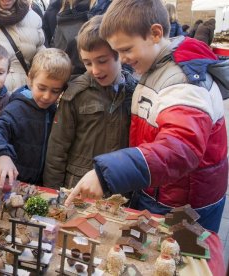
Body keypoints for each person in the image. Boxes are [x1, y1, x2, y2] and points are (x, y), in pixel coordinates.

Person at [65, 0, 228, 233]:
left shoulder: (181, 82)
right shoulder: (155, 69)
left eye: (126, 49)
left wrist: (106, 174)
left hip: (185, 205)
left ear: (154, 33)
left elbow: (181, 148)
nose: (122, 59)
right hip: (162, 191)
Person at [43, 16, 137, 189]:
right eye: (87, 63)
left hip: (121, 187)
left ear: (119, 54)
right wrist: (52, 193)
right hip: (79, 186)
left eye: (102, 61)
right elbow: (57, 149)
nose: (95, 70)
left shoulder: (135, 91)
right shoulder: (76, 94)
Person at [0, 48, 72, 187]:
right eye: (41, 88)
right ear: (30, 79)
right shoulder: (17, 109)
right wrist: (2, 155)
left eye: (55, 91)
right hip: (14, 184)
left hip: (38, 186)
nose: (47, 96)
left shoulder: (54, 110)